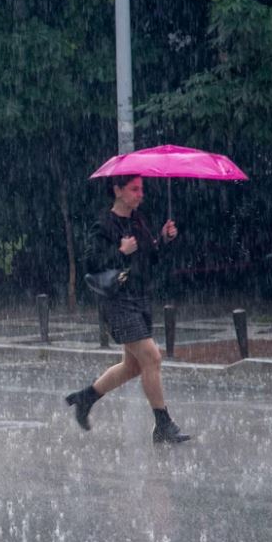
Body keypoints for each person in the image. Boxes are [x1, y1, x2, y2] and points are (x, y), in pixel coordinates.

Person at [66, 175, 192, 444]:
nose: (140, 194)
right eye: (134, 189)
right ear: (118, 191)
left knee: (133, 366)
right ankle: (163, 423)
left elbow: (151, 256)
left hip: (140, 298)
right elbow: (91, 263)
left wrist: (164, 239)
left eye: (141, 189)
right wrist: (120, 251)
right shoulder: (103, 224)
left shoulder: (139, 221)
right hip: (117, 301)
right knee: (152, 357)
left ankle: (86, 397)